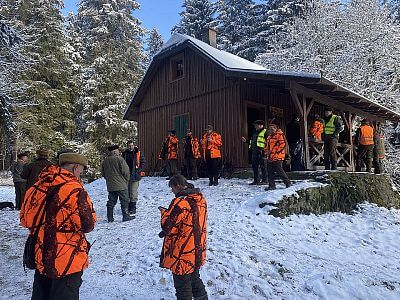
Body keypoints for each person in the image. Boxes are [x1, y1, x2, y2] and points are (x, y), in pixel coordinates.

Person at [20, 152, 96, 300]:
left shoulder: (37, 186)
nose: (81, 173)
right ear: (75, 168)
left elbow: (25, 220)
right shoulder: (75, 190)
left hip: (41, 255)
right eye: (81, 170)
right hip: (68, 257)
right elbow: (88, 224)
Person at [159, 175, 208, 300]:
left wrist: (164, 213)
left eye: (172, 188)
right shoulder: (200, 198)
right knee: (194, 277)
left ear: (178, 186)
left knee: (182, 285)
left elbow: (168, 227)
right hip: (196, 247)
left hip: (182, 250)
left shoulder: (181, 202)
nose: (172, 191)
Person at [102, 145, 134, 222]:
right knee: (125, 200)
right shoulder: (120, 159)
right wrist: (127, 180)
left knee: (111, 201)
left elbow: (103, 174)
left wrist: (109, 180)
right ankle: (126, 216)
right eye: (117, 151)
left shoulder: (105, 161)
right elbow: (125, 171)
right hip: (121, 185)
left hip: (110, 185)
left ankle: (110, 217)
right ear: (115, 152)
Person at [264, 123, 291, 190]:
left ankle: (288, 183)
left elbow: (283, 145)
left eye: (272, 129)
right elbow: (267, 146)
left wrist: (275, 152)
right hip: (270, 157)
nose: (271, 130)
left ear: (276, 129)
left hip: (278, 156)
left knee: (279, 170)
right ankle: (272, 185)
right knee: (269, 171)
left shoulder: (280, 135)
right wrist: (265, 153)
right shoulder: (269, 137)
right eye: (269, 129)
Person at [122, 141, 146, 215]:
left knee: (133, 191)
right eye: (129, 146)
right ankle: (128, 206)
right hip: (126, 175)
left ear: (134, 146)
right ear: (127, 146)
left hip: (135, 175)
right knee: (127, 192)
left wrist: (138, 170)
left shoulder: (138, 153)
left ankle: (133, 207)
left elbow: (143, 162)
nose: (130, 147)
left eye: (132, 145)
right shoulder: (124, 154)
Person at [241, 120, 268, 185]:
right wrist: (246, 141)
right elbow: (252, 141)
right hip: (254, 152)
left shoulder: (266, 132)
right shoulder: (254, 132)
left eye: (256, 125)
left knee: (263, 166)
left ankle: (265, 180)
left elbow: (269, 142)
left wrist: (266, 151)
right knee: (254, 167)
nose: (255, 126)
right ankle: (256, 180)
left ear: (260, 125)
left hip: (262, 151)